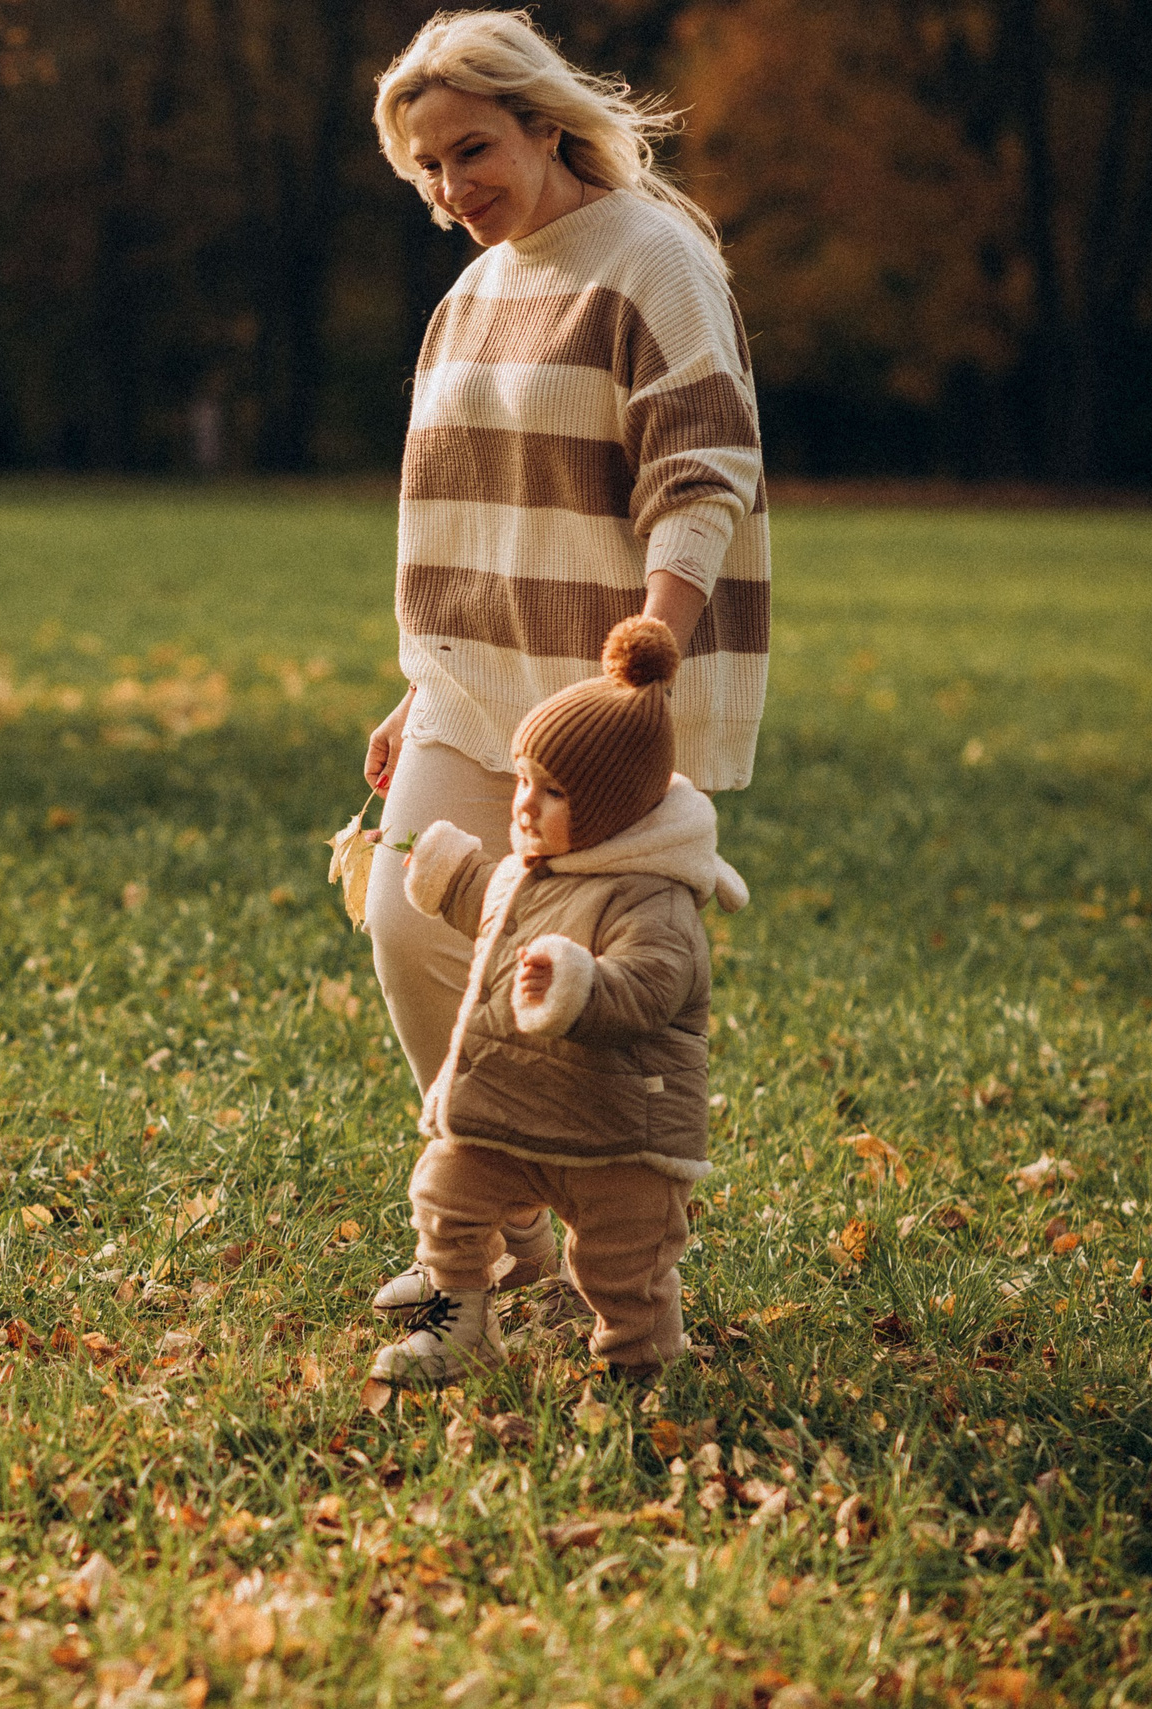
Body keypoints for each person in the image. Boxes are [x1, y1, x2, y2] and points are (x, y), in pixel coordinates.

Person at [360, 9, 769, 1294]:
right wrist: (413, 679)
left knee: (575, 972)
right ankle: (498, 1220)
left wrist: (645, 655)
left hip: (595, 701)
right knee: (405, 919)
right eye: (426, 169)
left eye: (471, 150)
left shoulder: (654, 256)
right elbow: (479, 507)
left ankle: (608, 1236)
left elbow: (703, 472)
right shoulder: (472, 290)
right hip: (468, 683)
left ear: (546, 124)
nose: (450, 189)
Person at [367, 618, 747, 1388]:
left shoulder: (652, 900)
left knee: (620, 1264)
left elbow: (649, 987)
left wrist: (580, 983)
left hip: (619, 1133)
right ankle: (460, 1321)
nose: (525, 805)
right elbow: (488, 900)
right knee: (446, 1194)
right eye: (523, 781)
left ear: (611, 809)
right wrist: (449, 873)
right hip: (510, 1110)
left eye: (553, 791)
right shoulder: (533, 867)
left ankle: (641, 1359)